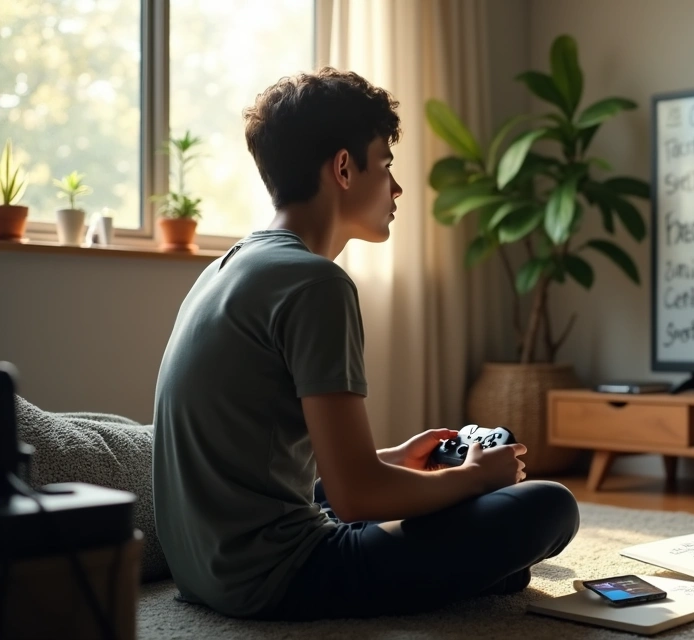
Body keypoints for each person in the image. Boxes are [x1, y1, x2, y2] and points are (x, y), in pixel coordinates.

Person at [151, 67, 580, 621]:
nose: (397, 188)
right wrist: (472, 477)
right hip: (277, 577)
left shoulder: (226, 267)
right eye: (387, 165)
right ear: (345, 168)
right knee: (548, 507)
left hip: (202, 571)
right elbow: (357, 499)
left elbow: (265, 467)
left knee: (448, 502)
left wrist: (393, 462)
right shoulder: (315, 283)